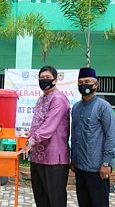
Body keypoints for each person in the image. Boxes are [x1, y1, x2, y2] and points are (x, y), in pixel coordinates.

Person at [20, 66, 71, 207]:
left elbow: (48, 128)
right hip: (38, 157)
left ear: (55, 80)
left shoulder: (59, 99)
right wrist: (30, 133)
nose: (44, 81)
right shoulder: (41, 99)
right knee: (41, 198)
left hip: (54, 158)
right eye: (41, 78)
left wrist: (31, 141)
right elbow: (38, 123)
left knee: (56, 200)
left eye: (47, 78)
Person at [70, 67, 115, 207]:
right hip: (80, 167)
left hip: (97, 168)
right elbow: (75, 135)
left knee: (99, 203)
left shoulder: (104, 107)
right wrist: (74, 159)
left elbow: (111, 136)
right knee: (83, 202)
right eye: (80, 82)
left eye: (87, 81)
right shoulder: (76, 108)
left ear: (95, 85)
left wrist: (106, 163)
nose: (84, 84)